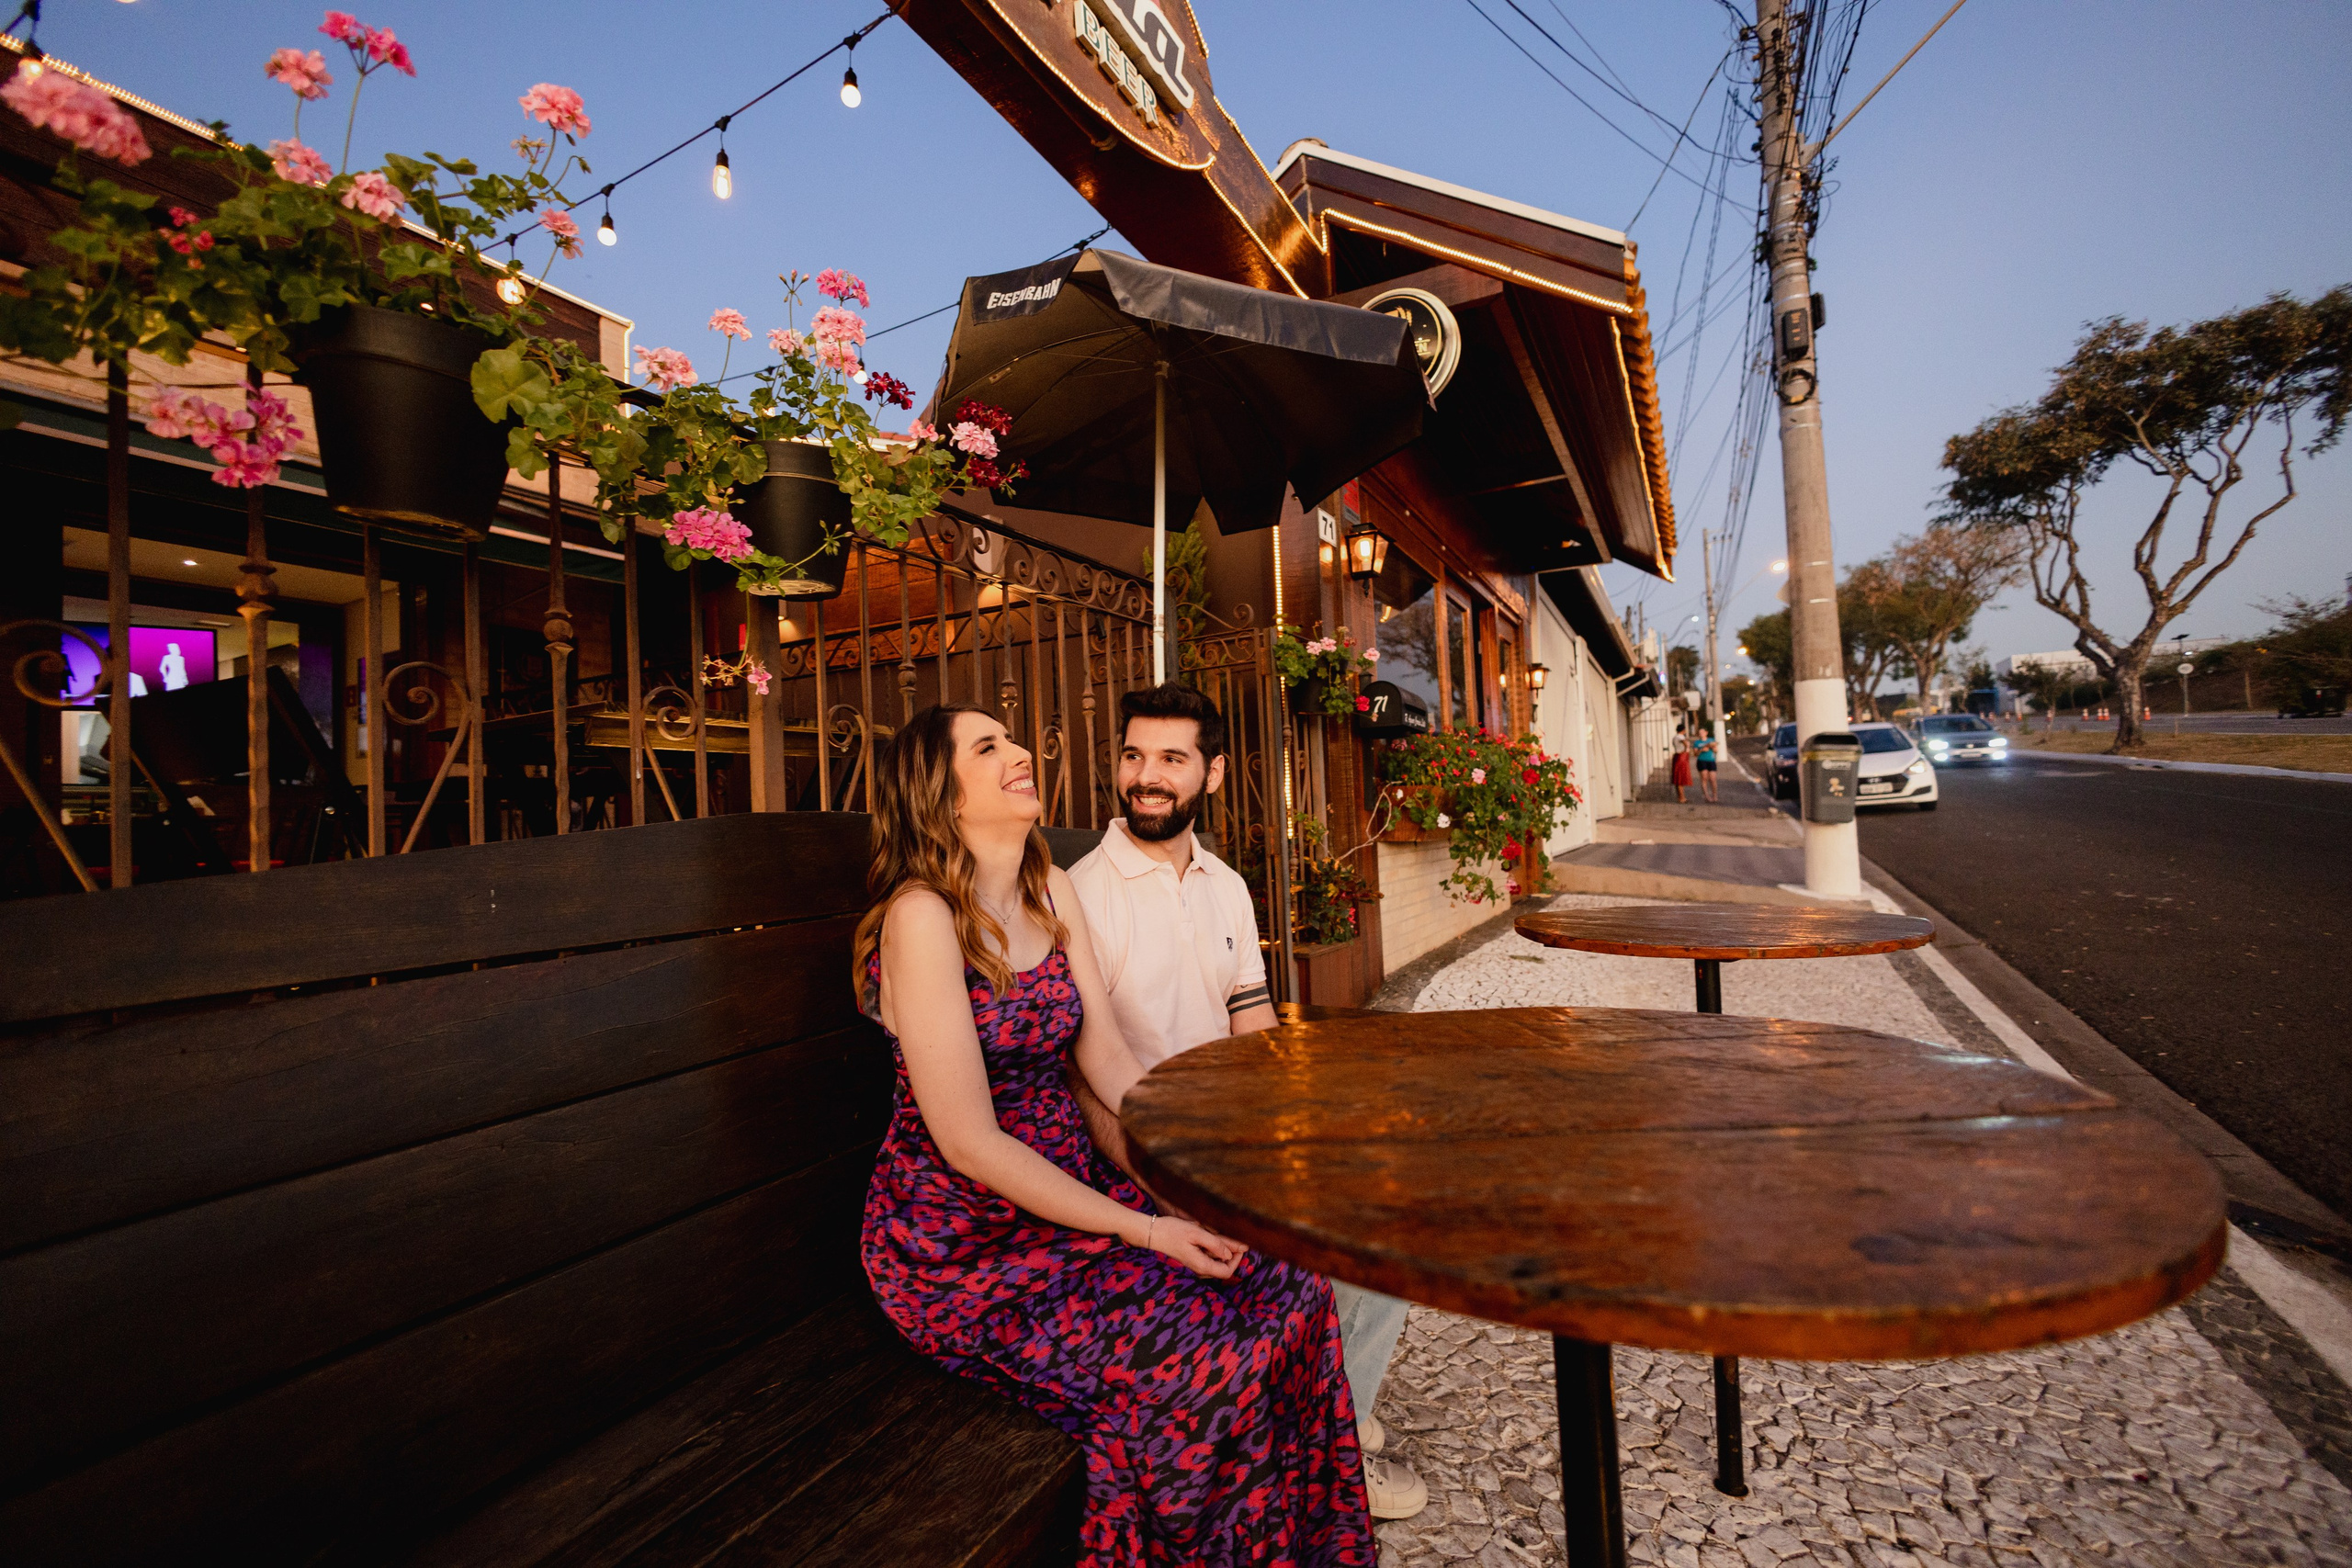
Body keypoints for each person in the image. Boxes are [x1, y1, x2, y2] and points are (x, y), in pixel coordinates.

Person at [856, 703, 1375, 1568]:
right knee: (1206, 1366)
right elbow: (970, 1143)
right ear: (941, 795)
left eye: (1012, 737)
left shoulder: (1045, 883)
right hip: (968, 1244)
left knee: (1291, 1287)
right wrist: (1144, 1225)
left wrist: (1193, 1176)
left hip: (1080, 1201)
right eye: (990, 747)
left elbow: (1107, 1055)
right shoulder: (922, 917)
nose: (1020, 752)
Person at [1068, 682, 1430, 1523]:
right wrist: (1166, 1187)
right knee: (1288, 1254)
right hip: (1143, 1157)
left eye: (1170, 759)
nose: (1145, 778)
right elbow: (1082, 1078)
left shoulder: (1226, 885)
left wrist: (1306, 1130)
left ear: (1215, 773)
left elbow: (1253, 1027)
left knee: (1392, 1203)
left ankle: (1339, 1408)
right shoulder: (1084, 893)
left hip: (1231, 1135)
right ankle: (1330, 1436)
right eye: (1133, 756)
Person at [1693, 726, 1720, 803]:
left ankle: (1715, 795)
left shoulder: (1711, 740)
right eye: (1700, 733)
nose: (1701, 734)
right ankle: (1706, 796)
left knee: (1713, 779)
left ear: (1706, 733)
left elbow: (1716, 751)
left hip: (1711, 760)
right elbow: (1695, 754)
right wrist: (1701, 750)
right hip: (1701, 761)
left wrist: (1712, 747)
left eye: (1702, 732)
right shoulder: (1697, 743)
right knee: (1704, 778)